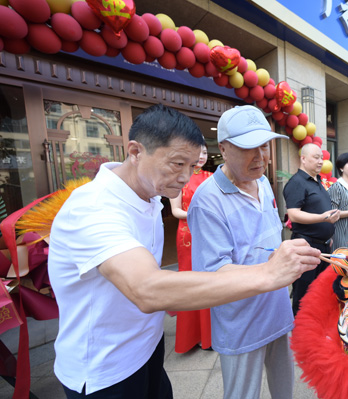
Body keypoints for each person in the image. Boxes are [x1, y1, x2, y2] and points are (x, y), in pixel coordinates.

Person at [48, 104, 320, 398]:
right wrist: (270, 272)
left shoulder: (150, 197)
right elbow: (147, 289)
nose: (185, 178)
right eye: (177, 164)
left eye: (191, 166)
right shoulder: (94, 207)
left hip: (148, 350)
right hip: (105, 370)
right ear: (135, 152)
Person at [188, 105, 317, 399]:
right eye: (248, 148)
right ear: (223, 148)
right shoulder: (207, 201)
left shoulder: (262, 182)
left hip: (277, 309)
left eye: (264, 146)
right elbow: (212, 273)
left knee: (285, 389)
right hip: (241, 320)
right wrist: (271, 268)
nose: (260, 157)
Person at [283, 143, 340, 315]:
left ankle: (315, 327)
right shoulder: (297, 182)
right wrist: (323, 218)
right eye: (316, 157)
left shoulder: (318, 181)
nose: (321, 161)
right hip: (305, 245)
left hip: (322, 245)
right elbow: (293, 214)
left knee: (319, 290)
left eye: (321, 158)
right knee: (303, 293)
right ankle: (300, 331)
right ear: (303, 158)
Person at [169, 144, 212, 353]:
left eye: (205, 152)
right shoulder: (178, 176)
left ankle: (210, 337)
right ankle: (191, 337)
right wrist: (200, 213)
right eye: (198, 152)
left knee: (209, 281)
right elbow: (176, 211)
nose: (202, 156)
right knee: (190, 283)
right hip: (188, 235)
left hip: (209, 233)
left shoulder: (212, 177)